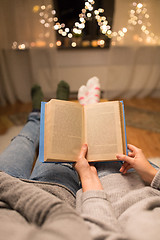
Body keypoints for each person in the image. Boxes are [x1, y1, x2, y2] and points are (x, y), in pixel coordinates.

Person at [0, 85, 160, 240]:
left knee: (26, 141)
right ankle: (90, 106)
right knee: (106, 139)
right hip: (133, 187)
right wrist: (153, 174)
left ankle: (37, 116)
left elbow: (97, 231)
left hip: (71, 195)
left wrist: (88, 178)